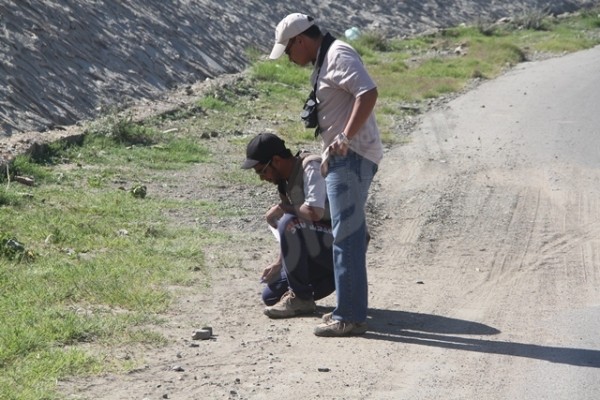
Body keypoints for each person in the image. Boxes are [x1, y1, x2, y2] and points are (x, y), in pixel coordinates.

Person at [269, 13, 383, 336]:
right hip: (345, 158)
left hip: (354, 155)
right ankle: (350, 311)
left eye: (289, 51)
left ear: (301, 40)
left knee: (345, 236)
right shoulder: (325, 60)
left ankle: (348, 315)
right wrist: (330, 154)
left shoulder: (338, 55)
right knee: (346, 233)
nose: (290, 59)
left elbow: (368, 93)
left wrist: (344, 139)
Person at [241, 132, 335, 318]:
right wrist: (278, 264)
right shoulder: (284, 182)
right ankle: (331, 282)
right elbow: (292, 233)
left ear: (276, 160)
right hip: (317, 246)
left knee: (288, 221)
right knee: (271, 295)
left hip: (341, 242)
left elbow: (315, 212)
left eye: (262, 171)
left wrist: (283, 208)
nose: (262, 178)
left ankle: (302, 298)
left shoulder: (311, 167)